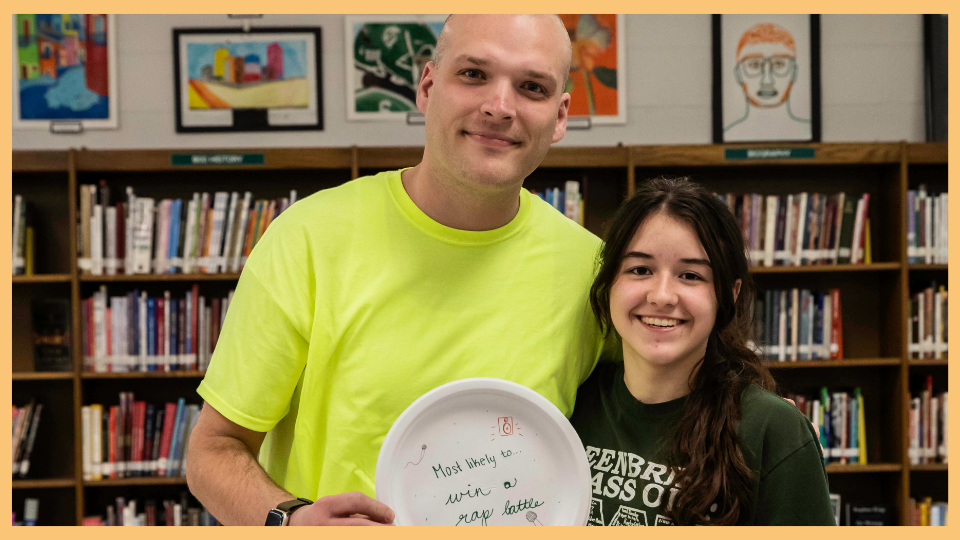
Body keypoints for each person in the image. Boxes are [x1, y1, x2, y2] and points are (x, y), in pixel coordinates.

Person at [186, 14, 607, 526]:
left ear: (559, 116)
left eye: (532, 87)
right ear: (428, 86)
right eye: (473, 74)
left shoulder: (594, 271)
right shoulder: (310, 238)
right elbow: (212, 451)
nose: (499, 106)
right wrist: (290, 521)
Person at [570, 177, 835, 526]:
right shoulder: (571, 404)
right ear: (608, 284)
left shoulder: (774, 429)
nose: (662, 296)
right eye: (640, 269)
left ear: (730, 293)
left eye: (691, 275)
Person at [723, 22, 811, 142]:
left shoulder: (807, 131)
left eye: (779, 64)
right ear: (738, 74)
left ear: (794, 72)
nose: (767, 80)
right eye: (754, 65)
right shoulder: (729, 134)